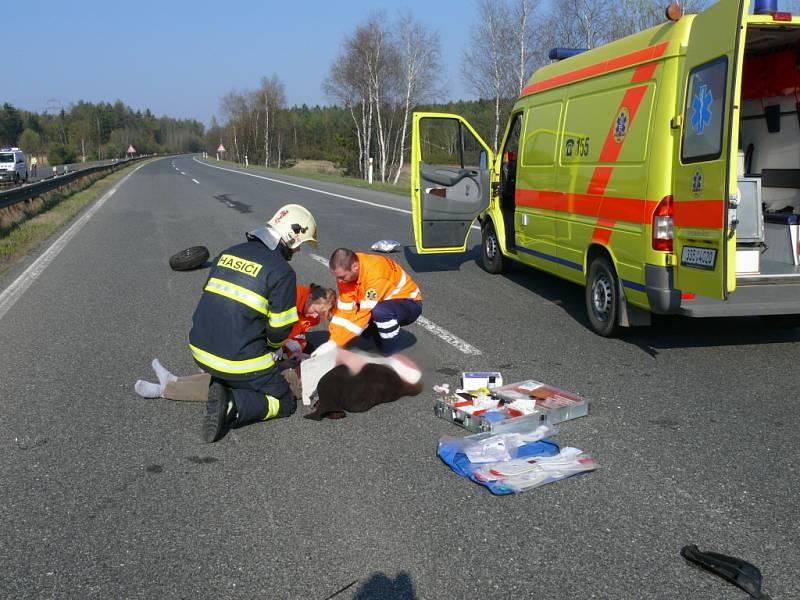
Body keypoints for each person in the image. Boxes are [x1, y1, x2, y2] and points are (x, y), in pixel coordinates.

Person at [190, 203, 318, 443]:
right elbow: (279, 330)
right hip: (236, 360)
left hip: (199, 351)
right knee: (284, 401)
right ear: (292, 236)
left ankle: (223, 380)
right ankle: (233, 404)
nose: (299, 251)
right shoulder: (282, 272)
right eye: (300, 244)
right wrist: (273, 350)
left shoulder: (228, 253)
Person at [133, 284, 335, 403]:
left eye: (320, 315)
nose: (315, 317)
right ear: (310, 297)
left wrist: (292, 352)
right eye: (316, 310)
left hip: (275, 358)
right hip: (256, 345)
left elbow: (295, 336)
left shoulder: (310, 314)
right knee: (233, 379)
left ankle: (169, 386)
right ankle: (170, 385)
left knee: (231, 383)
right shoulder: (288, 297)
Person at [315, 248, 422, 356]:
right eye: (337, 277)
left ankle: (391, 353)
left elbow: (364, 313)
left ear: (355, 267)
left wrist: (336, 343)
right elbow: (345, 309)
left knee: (380, 312)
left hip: (409, 303)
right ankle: (373, 331)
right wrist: (333, 340)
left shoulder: (376, 275)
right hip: (381, 301)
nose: (339, 281)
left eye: (342, 277)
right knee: (338, 307)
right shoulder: (349, 268)